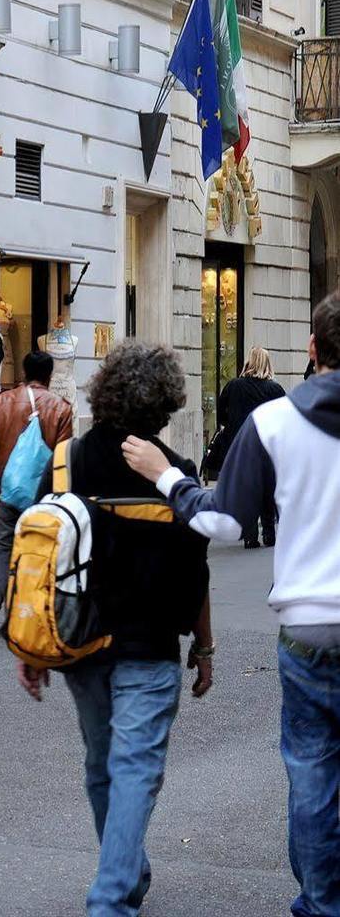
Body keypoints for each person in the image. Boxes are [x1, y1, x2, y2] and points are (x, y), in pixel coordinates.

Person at [123, 294, 340, 917]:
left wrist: (168, 477)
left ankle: (322, 902)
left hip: (309, 625)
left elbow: (223, 525)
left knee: (313, 770)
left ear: (312, 349)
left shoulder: (272, 422)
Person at [17, 344, 213, 917]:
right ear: (165, 404)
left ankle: (124, 872)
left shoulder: (67, 460)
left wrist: (32, 645)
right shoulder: (175, 474)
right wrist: (204, 645)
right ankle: (111, 896)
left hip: (78, 642)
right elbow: (196, 573)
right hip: (150, 648)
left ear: (104, 393)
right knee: (133, 770)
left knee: (104, 765)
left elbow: (41, 560)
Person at [0, 349, 73, 637]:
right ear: (50, 375)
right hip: (45, 495)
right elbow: (64, 455)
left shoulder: (2, 401)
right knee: (42, 550)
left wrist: (0, 465)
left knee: (4, 545)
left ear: (24, 373)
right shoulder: (61, 407)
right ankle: (29, 611)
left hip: (11, 490)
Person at [210, 344, 286, 546]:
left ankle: (250, 536)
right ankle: (269, 533)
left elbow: (221, 412)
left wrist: (231, 424)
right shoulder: (275, 389)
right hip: (267, 447)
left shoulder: (233, 386)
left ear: (249, 362)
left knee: (247, 489)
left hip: (240, 446)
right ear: (268, 363)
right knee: (268, 489)